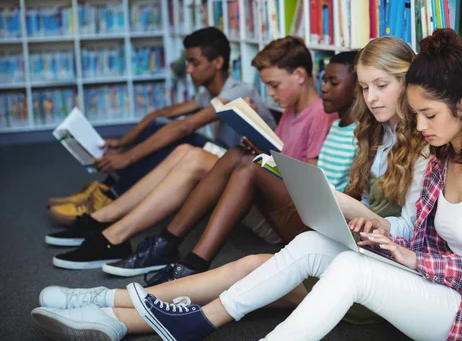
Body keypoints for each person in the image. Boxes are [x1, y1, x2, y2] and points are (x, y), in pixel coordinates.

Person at [30, 36, 431, 340]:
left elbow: (409, 232)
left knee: (251, 271)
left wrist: (344, 206)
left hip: (381, 269)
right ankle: (109, 307)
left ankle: (111, 308)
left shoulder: (422, 146)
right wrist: (344, 211)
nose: (370, 97)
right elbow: (370, 208)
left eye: (381, 86)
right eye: (364, 88)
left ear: (407, 82)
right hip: (354, 250)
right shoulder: (380, 134)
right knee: (247, 270)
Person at [49, 36, 338, 271]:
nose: (270, 94)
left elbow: (308, 182)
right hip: (262, 196)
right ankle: (111, 226)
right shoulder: (291, 111)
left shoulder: (318, 115)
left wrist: (267, 158)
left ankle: (120, 234)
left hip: (283, 218)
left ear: (300, 75)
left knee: (201, 157)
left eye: (274, 85)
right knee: (190, 151)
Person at [47, 27, 276, 225]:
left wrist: (128, 157)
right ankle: (108, 190)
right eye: (188, 63)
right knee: (161, 125)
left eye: (195, 63)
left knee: (180, 137)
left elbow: (185, 127)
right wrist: (122, 143)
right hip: (227, 157)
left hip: (249, 166)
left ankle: (114, 195)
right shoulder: (210, 94)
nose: (188, 69)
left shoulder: (238, 92)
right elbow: (162, 114)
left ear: (217, 63)